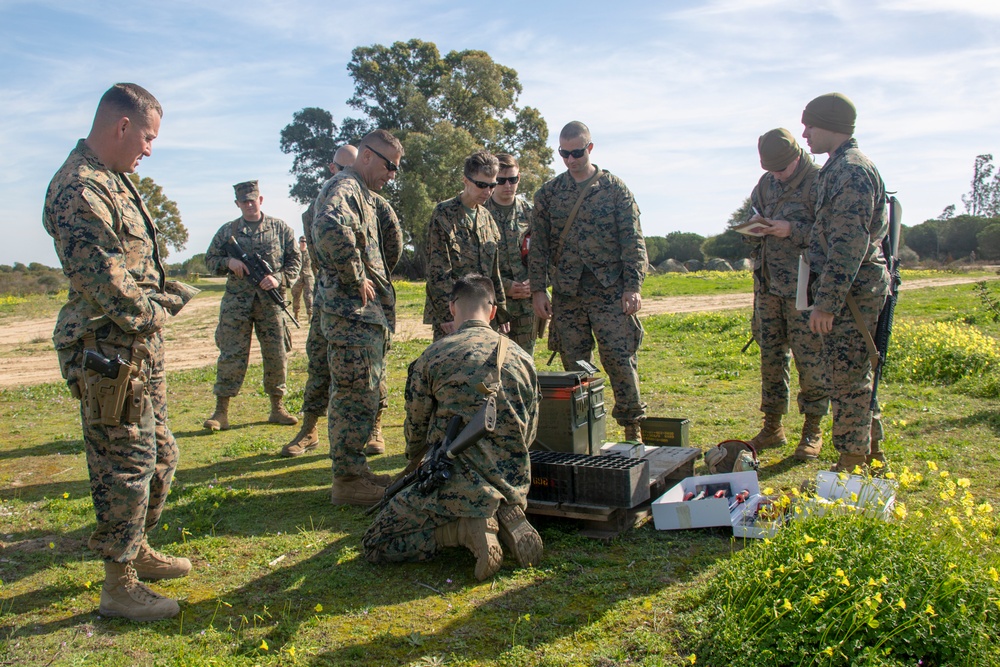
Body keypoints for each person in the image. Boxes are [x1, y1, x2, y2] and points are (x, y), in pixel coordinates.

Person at [44, 83, 197, 621]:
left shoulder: (115, 181)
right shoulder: (78, 189)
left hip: (136, 349)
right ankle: (118, 585)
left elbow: (131, 265)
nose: (149, 149)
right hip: (108, 352)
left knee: (161, 457)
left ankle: (139, 548)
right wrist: (160, 310)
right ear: (122, 126)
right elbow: (108, 285)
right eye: (148, 137)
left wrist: (163, 293)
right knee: (126, 465)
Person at [363, 274, 541, 581]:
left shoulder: (433, 356)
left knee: (377, 541)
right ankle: (504, 511)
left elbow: (416, 434)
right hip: (511, 479)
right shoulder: (523, 358)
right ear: (494, 311)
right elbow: (530, 432)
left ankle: (463, 530)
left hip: (452, 485)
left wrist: (416, 461)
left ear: (451, 307)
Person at [528, 121, 647, 441]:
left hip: (609, 291)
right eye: (564, 154)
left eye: (577, 152)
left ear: (590, 148)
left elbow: (633, 240)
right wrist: (538, 290)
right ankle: (585, 432)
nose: (571, 159)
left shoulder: (614, 189)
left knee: (620, 360)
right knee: (576, 367)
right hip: (568, 294)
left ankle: (632, 428)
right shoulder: (550, 194)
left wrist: (633, 286)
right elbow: (538, 245)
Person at [282, 145, 403, 459]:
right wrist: (351, 274)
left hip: (362, 304)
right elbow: (323, 238)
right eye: (336, 168)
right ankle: (309, 429)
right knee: (320, 364)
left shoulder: (375, 203)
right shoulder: (323, 203)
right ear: (332, 168)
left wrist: (368, 277)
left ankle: (374, 428)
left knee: (370, 371)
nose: (339, 174)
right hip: (329, 300)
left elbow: (393, 246)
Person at [312, 130, 402, 505]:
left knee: (364, 394)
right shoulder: (345, 186)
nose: (392, 175)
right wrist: (355, 274)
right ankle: (347, 482)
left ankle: (357, 471)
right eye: (389, 165)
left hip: (364, 317)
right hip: (349, 316)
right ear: (367, 155)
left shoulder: (366, 195)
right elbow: (327, 226)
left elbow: (390, 241)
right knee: (352, 395)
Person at [800, 93, 890, 472]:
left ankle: (852, 461)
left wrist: (827, 303)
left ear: (829, 126)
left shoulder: (851, 171)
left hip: (852, 293)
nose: (804, 133)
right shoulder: (837, 167)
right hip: (849, 290)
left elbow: (849, 245)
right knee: (854, 371)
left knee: (847, 376)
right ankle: (871, 451)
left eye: (810, 125)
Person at [746, 129, 829, 461]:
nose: (777, 176)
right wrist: (754, 227)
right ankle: (772, 426)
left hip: (804, 290)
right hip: (768, 286)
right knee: (771, 358)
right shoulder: (766, 183)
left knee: (810, 361)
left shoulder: (820, 182)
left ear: (797, 156)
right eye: (771, 169)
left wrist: (791, 229)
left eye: (782, 169)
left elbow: (833, 232)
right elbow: (755, 214)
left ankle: (812, 429)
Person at [203, 180, 301, 431]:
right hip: (237, 304)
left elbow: (295, 261)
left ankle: (277, 408)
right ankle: (221, 412)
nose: (249, 204)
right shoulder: (228, 231)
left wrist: (277, 278)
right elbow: (210, 259)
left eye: (252, 199)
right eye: (243, 201)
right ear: (237, 203)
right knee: (231, 354)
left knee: (276, 355)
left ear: (261, 200)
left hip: (270, 303)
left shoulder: (280, 228)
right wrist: (228, 263)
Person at [423, 150, 507, 341]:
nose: (487, 192)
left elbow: (494, 273)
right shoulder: (444, 214)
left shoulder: (487, 218)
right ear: (466, 180)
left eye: (492, 185)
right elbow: (438, 270)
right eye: (481, 185)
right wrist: (446, 314)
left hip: (484, 313)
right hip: (455, 314)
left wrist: (500, 311)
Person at [485, 153, 536, 353]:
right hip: (494, 305)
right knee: (493, 360)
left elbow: (546, 255)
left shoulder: (531, 213)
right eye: (501, 180)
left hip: (526, 305)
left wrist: (537, 282)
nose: (508, 185)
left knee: (524, 361)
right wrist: (505, 287)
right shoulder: (481, 211)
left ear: (519, 178)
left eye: (513, 180)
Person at [290, 235, 313, 321]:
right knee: (296, 296)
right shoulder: (296, 252)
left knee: (309, 296)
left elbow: (314, 265)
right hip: (298, 277)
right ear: (299, 242)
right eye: (302, 241)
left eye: (305, 242)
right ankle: (296, 314)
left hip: (308, 276)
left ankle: (310, 315)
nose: (303, 243)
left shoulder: (310, 252)